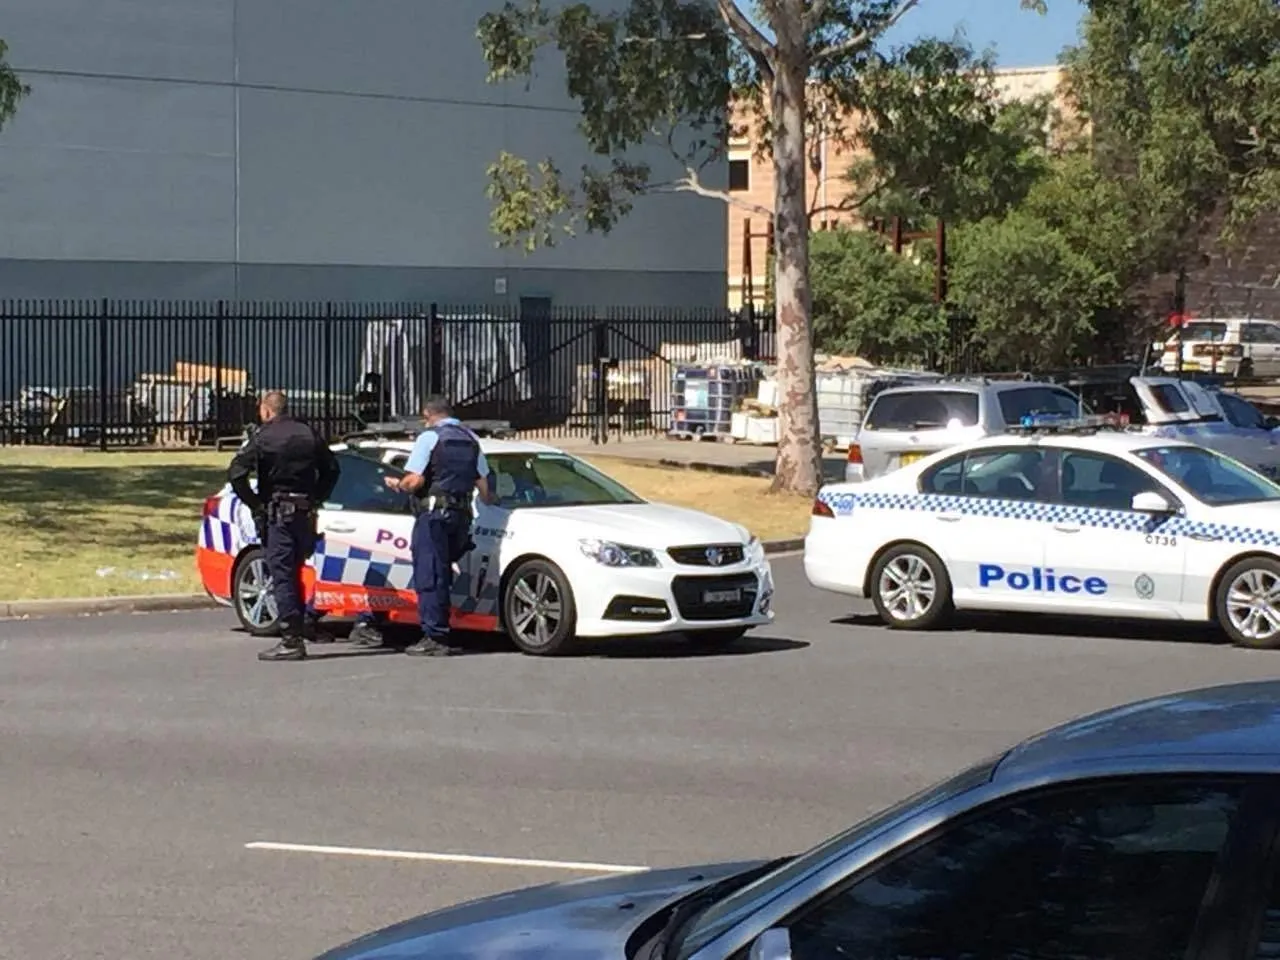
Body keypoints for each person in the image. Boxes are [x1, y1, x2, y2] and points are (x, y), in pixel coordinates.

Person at [228, 390, 341, 662]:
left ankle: (291, 639)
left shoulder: (263, 437)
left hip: (278, 514)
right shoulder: (308, 433)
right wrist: (316, 497)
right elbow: (332, 469)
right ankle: (302, 625)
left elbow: (236, 473)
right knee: (296, 571)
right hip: (304, 513)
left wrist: (255, 504)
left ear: (267, 410)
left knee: (282, 575)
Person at [384, 397, 494, 657]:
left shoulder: (429, 438)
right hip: (461, 516)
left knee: (431, 574)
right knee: (442, 572)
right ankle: (442, 628)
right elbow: (484, 486)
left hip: (434, 515)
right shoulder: (470, 439)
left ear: (428, 414)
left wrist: (398, 484)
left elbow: (415, 480)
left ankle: (435, 636)